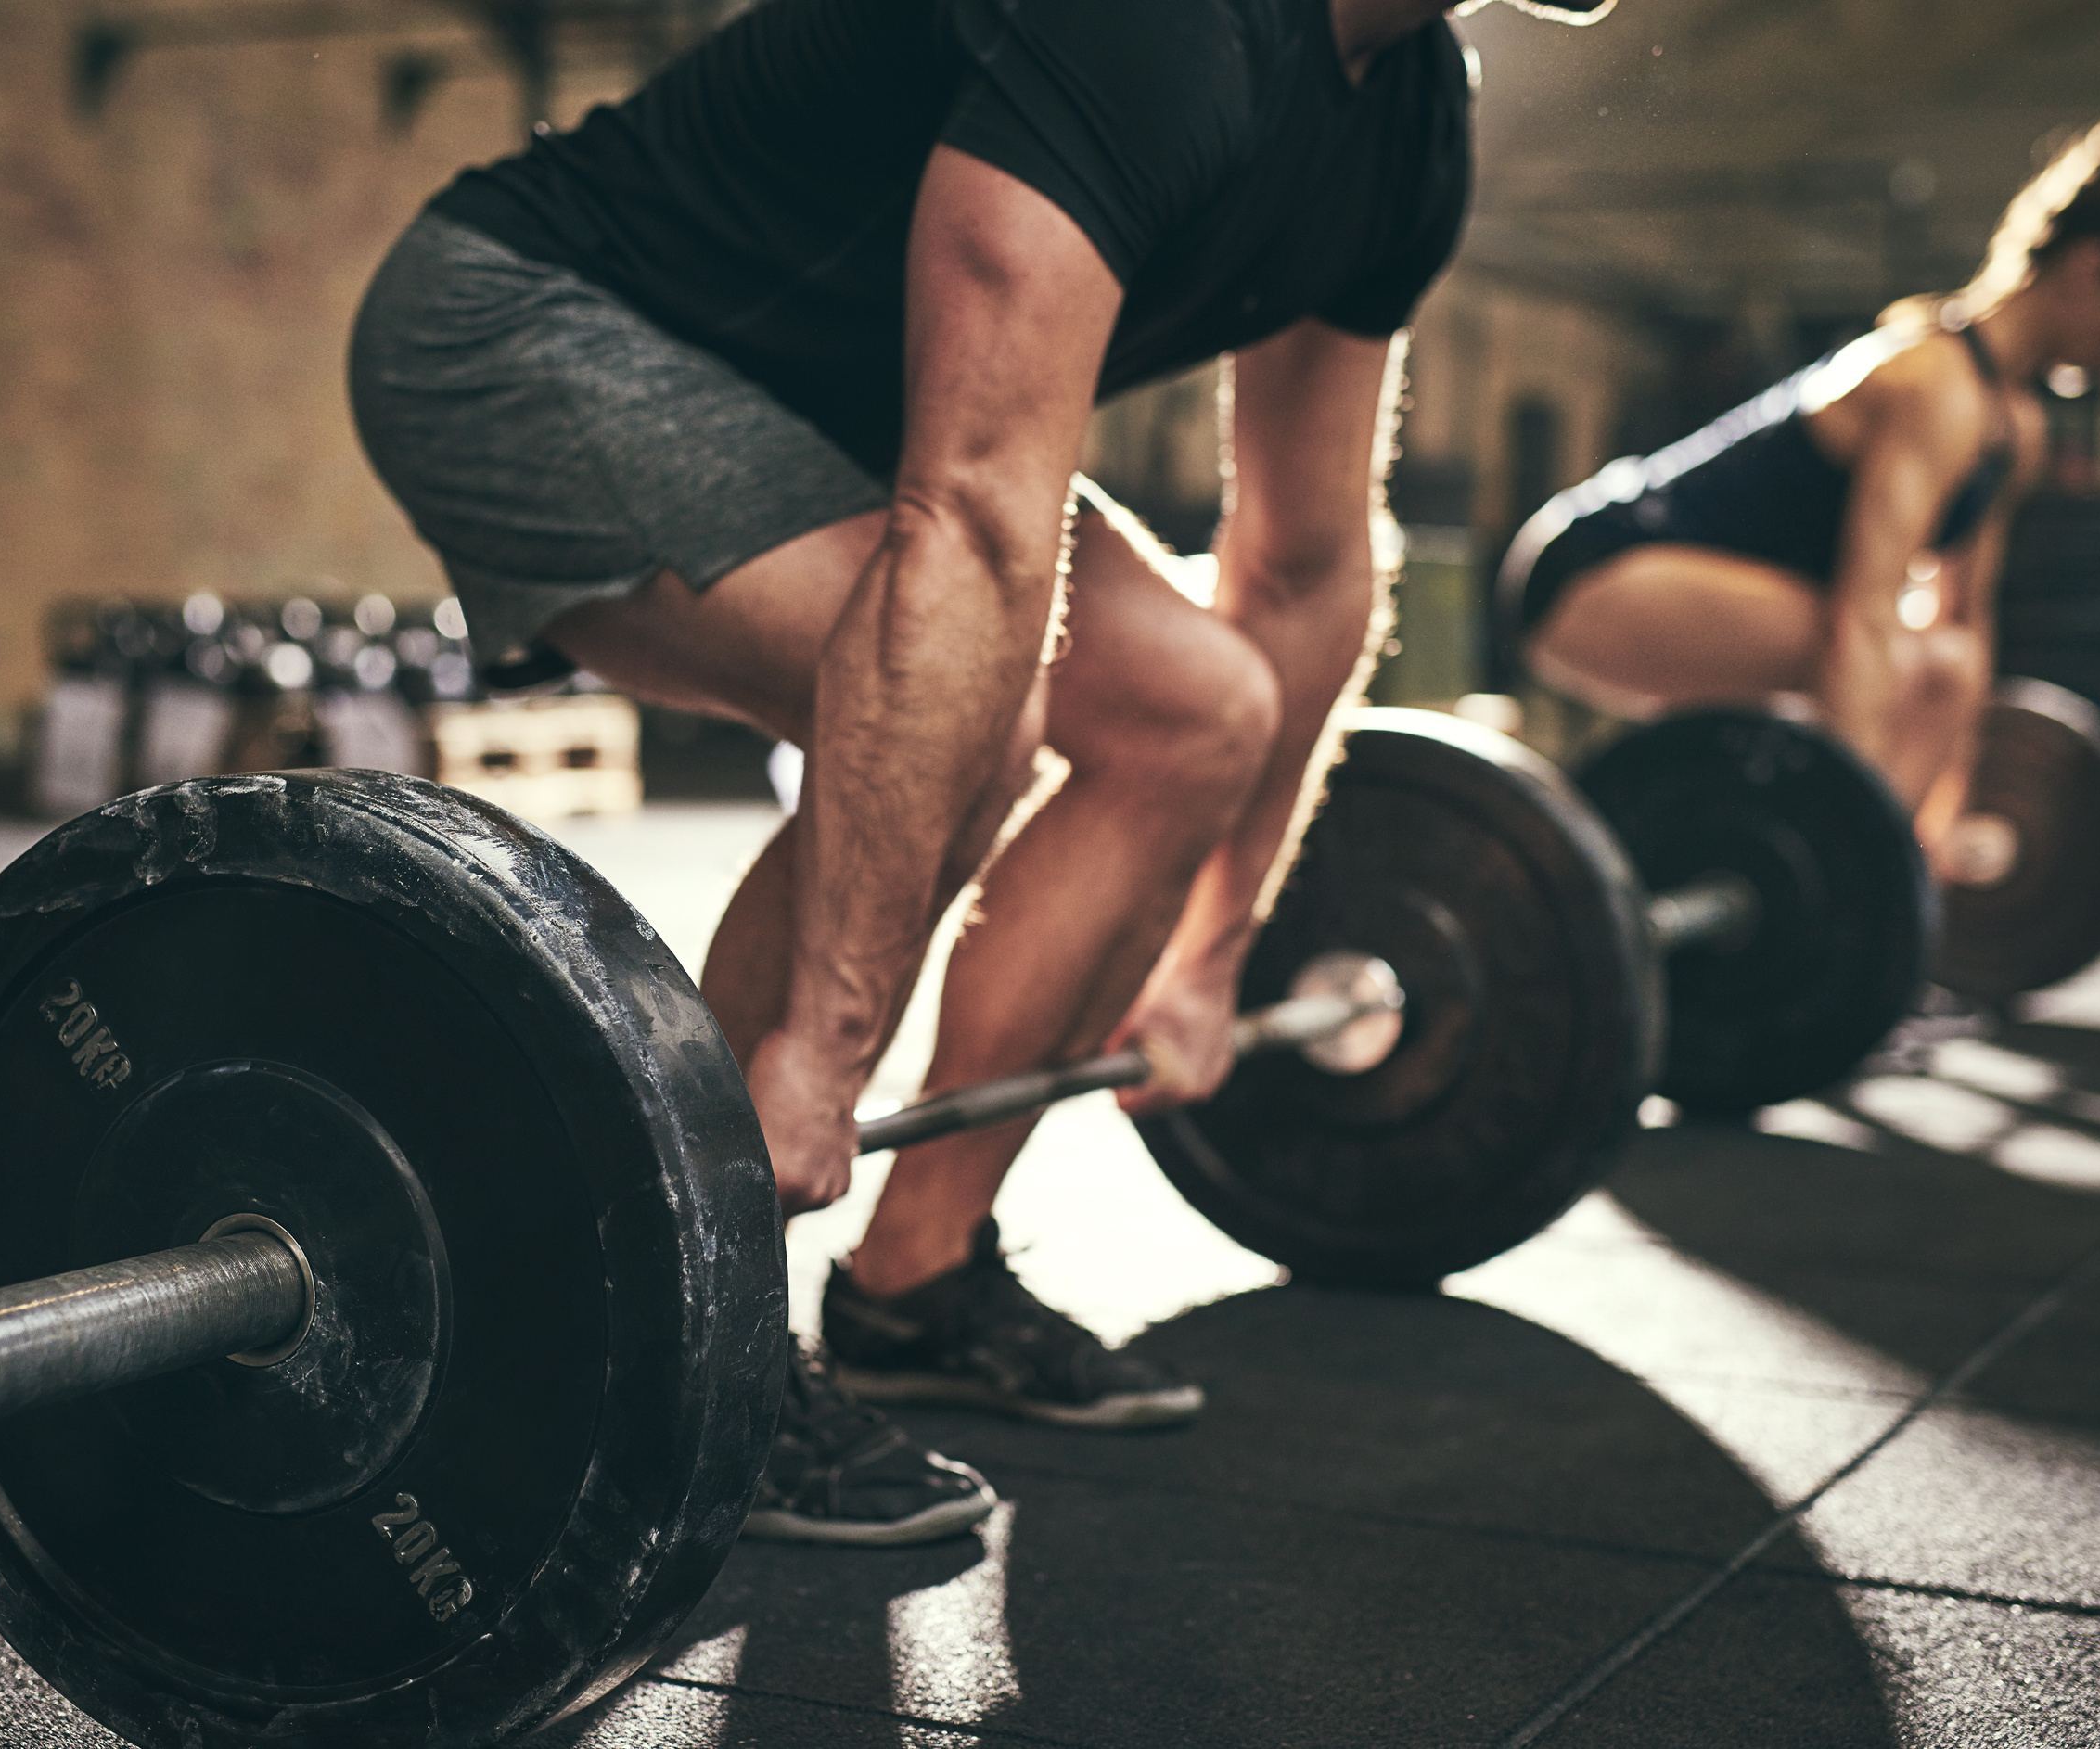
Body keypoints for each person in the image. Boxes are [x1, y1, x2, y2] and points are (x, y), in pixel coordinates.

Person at [352, 0, 1610, 1546]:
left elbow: (1301, 567)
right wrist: (822, 1047)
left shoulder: (1406, 110)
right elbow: (974, 519)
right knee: (972, 723)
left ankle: (918, 1279)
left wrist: (1216, 949)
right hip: (531, 328)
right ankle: (669, 1343)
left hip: (835, 417)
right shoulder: (1172, 27)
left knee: (1197, 709)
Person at [1502, 109, 2100, 867]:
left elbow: (1969, 626)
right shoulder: (1935, 384)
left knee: (1944, 662)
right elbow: (1861, 621)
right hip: (1590, 570)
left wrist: (1942, 825)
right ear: (2091, 268)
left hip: (1709, 594)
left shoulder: (2014, 428)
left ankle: (1869, 883)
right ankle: (1845, 873)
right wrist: (1857, 850)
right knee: (1903, 659)